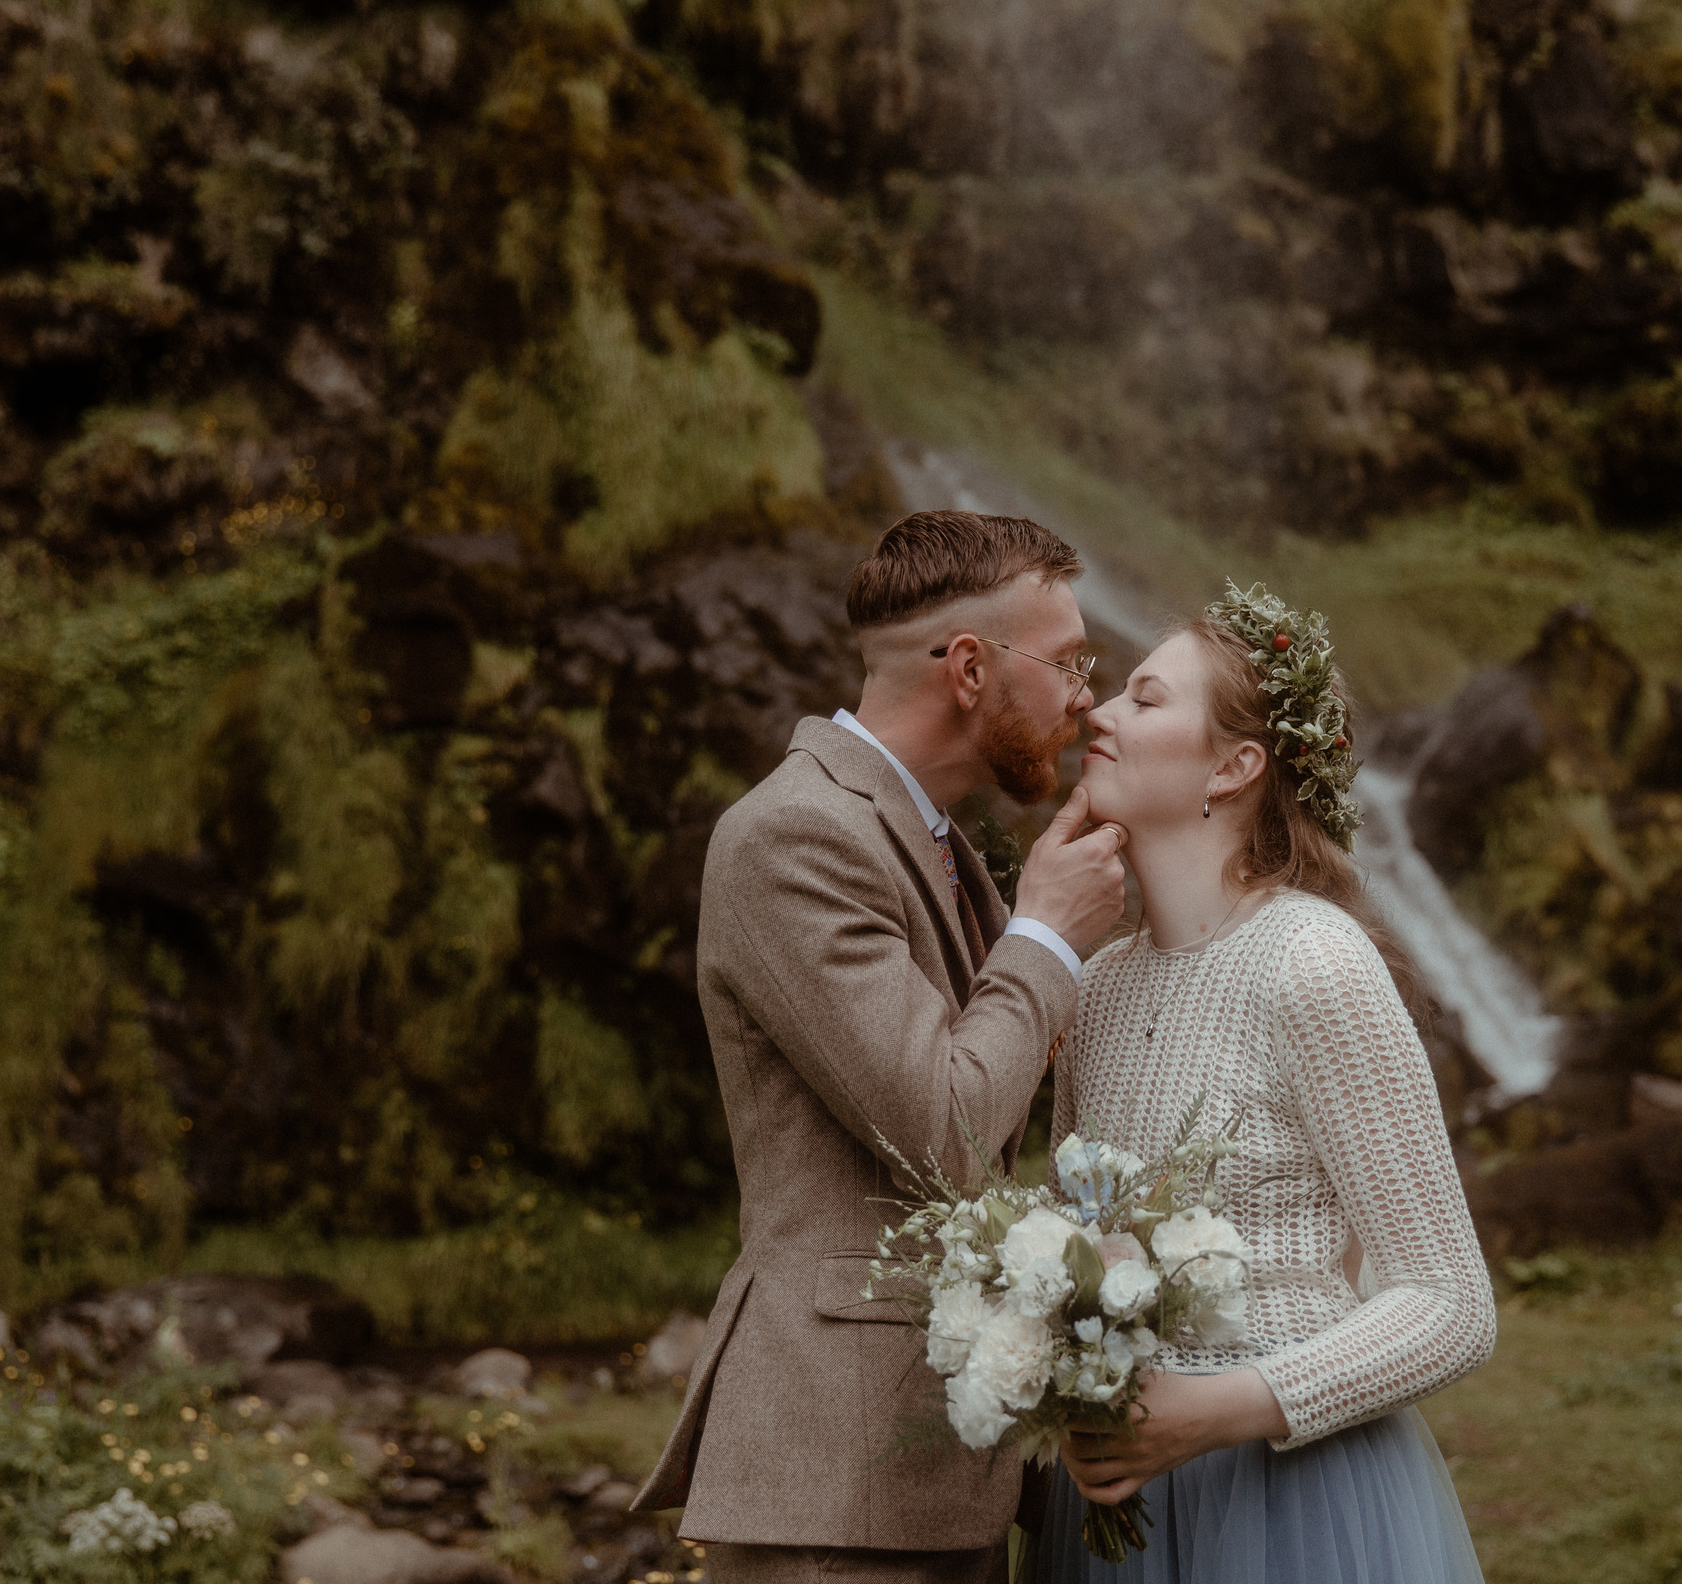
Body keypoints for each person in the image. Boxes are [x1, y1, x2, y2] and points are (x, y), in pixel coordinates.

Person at [633, 511, 1131, 1584]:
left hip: (930, 1466)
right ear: (967, 668)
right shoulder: (795, 835)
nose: (1085, 697)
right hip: (839, 1483)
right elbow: (946, 1129)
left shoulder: (935, 840)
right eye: (1068, 662)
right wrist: (1045, 934)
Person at [1029, 583, 1494, 1583]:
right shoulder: (1096, 984)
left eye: (1145, 700)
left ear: (1235, 767)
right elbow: (1072, 1239)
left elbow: (1451, 1304)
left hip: (1296, 1505)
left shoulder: (1310, 961)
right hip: (1121, 1514)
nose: (1097, 714)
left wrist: (1214, 1411)